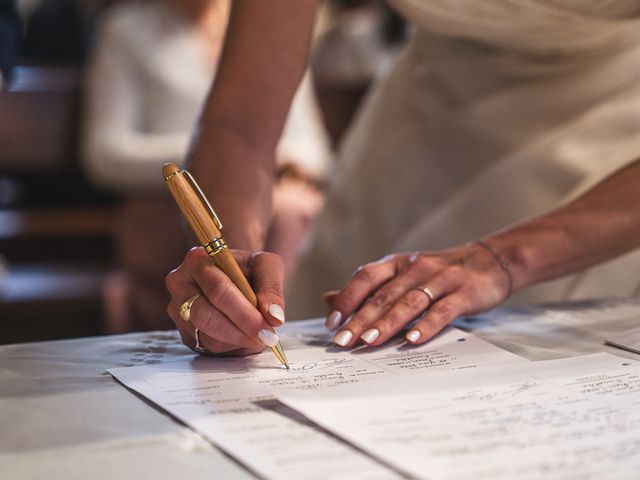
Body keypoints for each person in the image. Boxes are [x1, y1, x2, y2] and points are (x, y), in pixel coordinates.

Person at [165, 1, 640, 354]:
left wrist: (499, 259)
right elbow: (240, 124)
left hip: (611, 174)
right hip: (421, 134)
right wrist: (233, 265)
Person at [82, 0, 331, 332]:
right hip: (166, 204)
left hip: (272, 194)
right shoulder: (127, 30)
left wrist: (276, 158)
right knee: (290, 212)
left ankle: (263, 321)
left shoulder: (273, 24)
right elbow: (105, 154)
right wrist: (196, 159)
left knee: (292, 209)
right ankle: (259, 325)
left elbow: (317, 150)